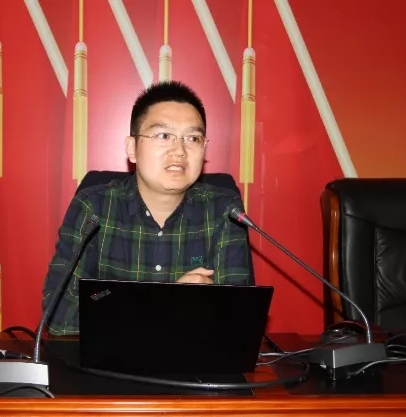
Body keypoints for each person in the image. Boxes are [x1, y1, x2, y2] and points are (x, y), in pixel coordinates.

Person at [42, 80, 252, 335]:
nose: (179, 151)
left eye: (192, 138)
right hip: (108, 359)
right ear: (132, 148)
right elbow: (59, 316)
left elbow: (236, 322)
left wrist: (119, 307)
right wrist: (165, 304)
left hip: (192, 358)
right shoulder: (94, 207)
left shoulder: (224, 210)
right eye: (164, 136)